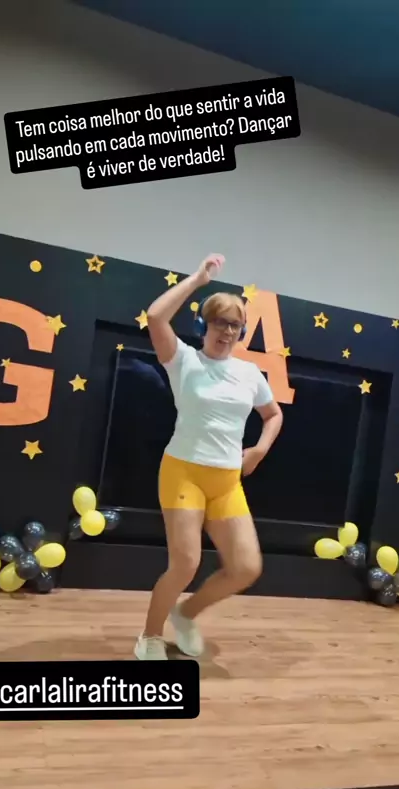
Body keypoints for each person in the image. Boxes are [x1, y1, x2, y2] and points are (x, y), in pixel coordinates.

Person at [134, 254, 283, 661]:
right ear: (204, 325)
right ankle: (149, 636)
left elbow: (273, 415)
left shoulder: (249, 374)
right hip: (183, 472)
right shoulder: (183, 360)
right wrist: (198, 279)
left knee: (246, 567)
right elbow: (156, 316)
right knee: (185, 564)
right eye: (219, 322)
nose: (227, 331)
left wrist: (259, 449)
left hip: (226, 481)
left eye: (234, 325)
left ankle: (185, 615)